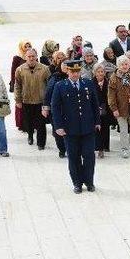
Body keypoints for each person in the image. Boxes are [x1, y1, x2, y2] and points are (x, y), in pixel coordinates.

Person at [51, 60, 101, 194]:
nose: (75, 74)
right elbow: (55, 107)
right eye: (73, 71)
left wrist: (97, 121)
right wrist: (58, 126)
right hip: (70, 129)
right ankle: (77, 183)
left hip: (88, 127)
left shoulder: (88, 84)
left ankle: (89, 181)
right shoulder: (60, 86)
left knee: (89, 155)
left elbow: (95, 104)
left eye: (77, 71)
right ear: (67, 71)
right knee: (73, 157)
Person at [108, 55, 130, 159]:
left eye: (126, 64)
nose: (124, 66)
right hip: (120, 109)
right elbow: (111, 95)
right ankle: (124, 148)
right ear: (118, 65)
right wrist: (114, 108)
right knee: (123, 130)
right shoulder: (114, 77)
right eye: (122, 64)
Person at [15, 49, 51, 149]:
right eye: (29, 56)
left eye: (33, 56)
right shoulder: (20, 69)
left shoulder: (44, 69)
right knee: (28, 122)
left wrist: (48, 101)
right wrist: (18, 100)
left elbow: (49, 85)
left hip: (40, 101)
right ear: (25, 57)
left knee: (41, 123)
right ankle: (30, 135)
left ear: (36, 56)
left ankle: (41, 143)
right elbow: (17, 85)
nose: (31, 58)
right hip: (27, 100)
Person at [43, 60, 68, 158]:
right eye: (64, 66)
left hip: (69, 109)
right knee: (57, 130)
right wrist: (45, 107)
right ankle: (61, 149)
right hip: (57, 108)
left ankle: (69, 148)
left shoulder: (73, 77)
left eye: (67, 66)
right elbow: (48, 92)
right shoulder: (55, 77)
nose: (66, 68)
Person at [9, 40, 31, 131]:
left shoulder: (32, 57)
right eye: (25, 46)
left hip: (31, 84)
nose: (27, 48)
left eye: (29, 46)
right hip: (20, 85)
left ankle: (30, 123)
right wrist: (14, 85)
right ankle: (22, 124)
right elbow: (13, 72)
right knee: (20, 105)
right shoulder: (17, 58)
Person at [92, 63, 112, 158]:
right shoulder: (91, 83)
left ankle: (105, 146)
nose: (100, 73)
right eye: (98, 72)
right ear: (95, 73)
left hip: (106, 108)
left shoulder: (108, 82)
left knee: (105, 127)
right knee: (97, 128)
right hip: (95, 108)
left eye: (102, 71)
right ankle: (98, 148)